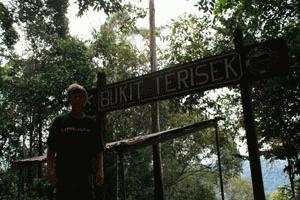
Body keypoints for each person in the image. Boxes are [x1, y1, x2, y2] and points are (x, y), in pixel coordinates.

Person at [47, 83, 104, 200]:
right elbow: (51, 149)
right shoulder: (60, 121)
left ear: (85, 100)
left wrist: (100, 170)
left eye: (80, 96)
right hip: (64, 175)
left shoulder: (92, 123)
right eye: (75, 96)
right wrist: (50, 170)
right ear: (70, 100)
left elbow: (98, 150)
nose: (78, 99)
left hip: (85, 175)